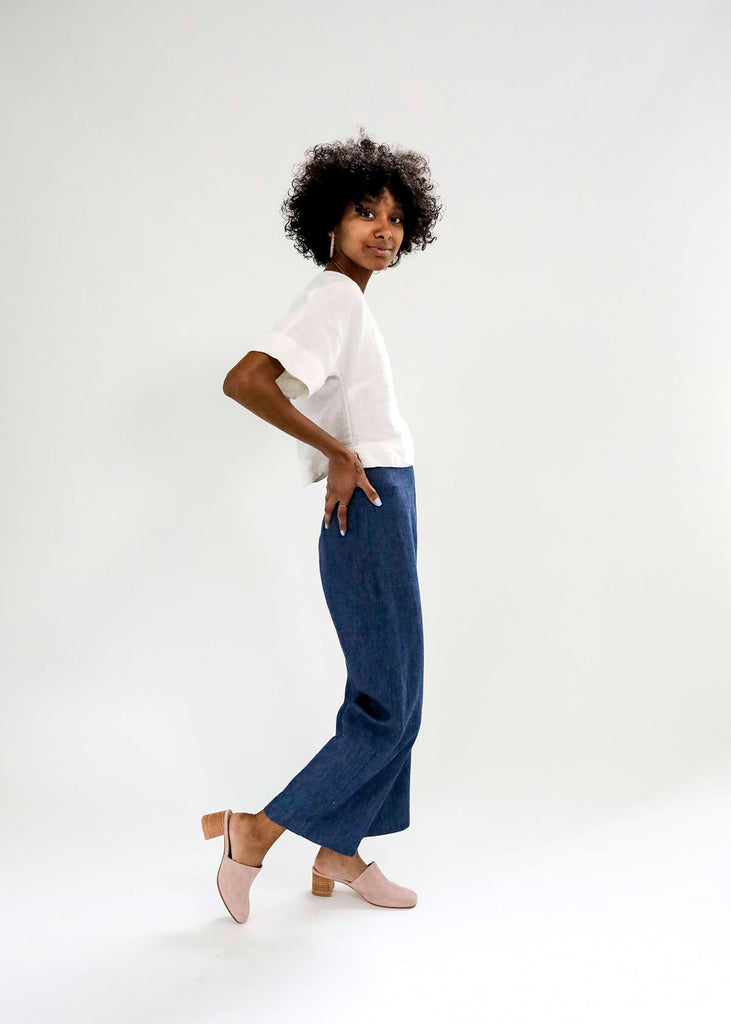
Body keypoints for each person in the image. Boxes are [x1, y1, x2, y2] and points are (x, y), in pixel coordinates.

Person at [201, 128, 443, 922]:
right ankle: (257, 832)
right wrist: (338, 452)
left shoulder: (350, 305)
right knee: (388, 706)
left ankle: (341, 854)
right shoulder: (333, 297)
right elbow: (246, 381)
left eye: (396, 218)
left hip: (384, 499)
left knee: (391, 699)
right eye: (365, 212)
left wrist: (350, 458)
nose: (383, 229)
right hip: (369, 504)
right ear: (329, 223)